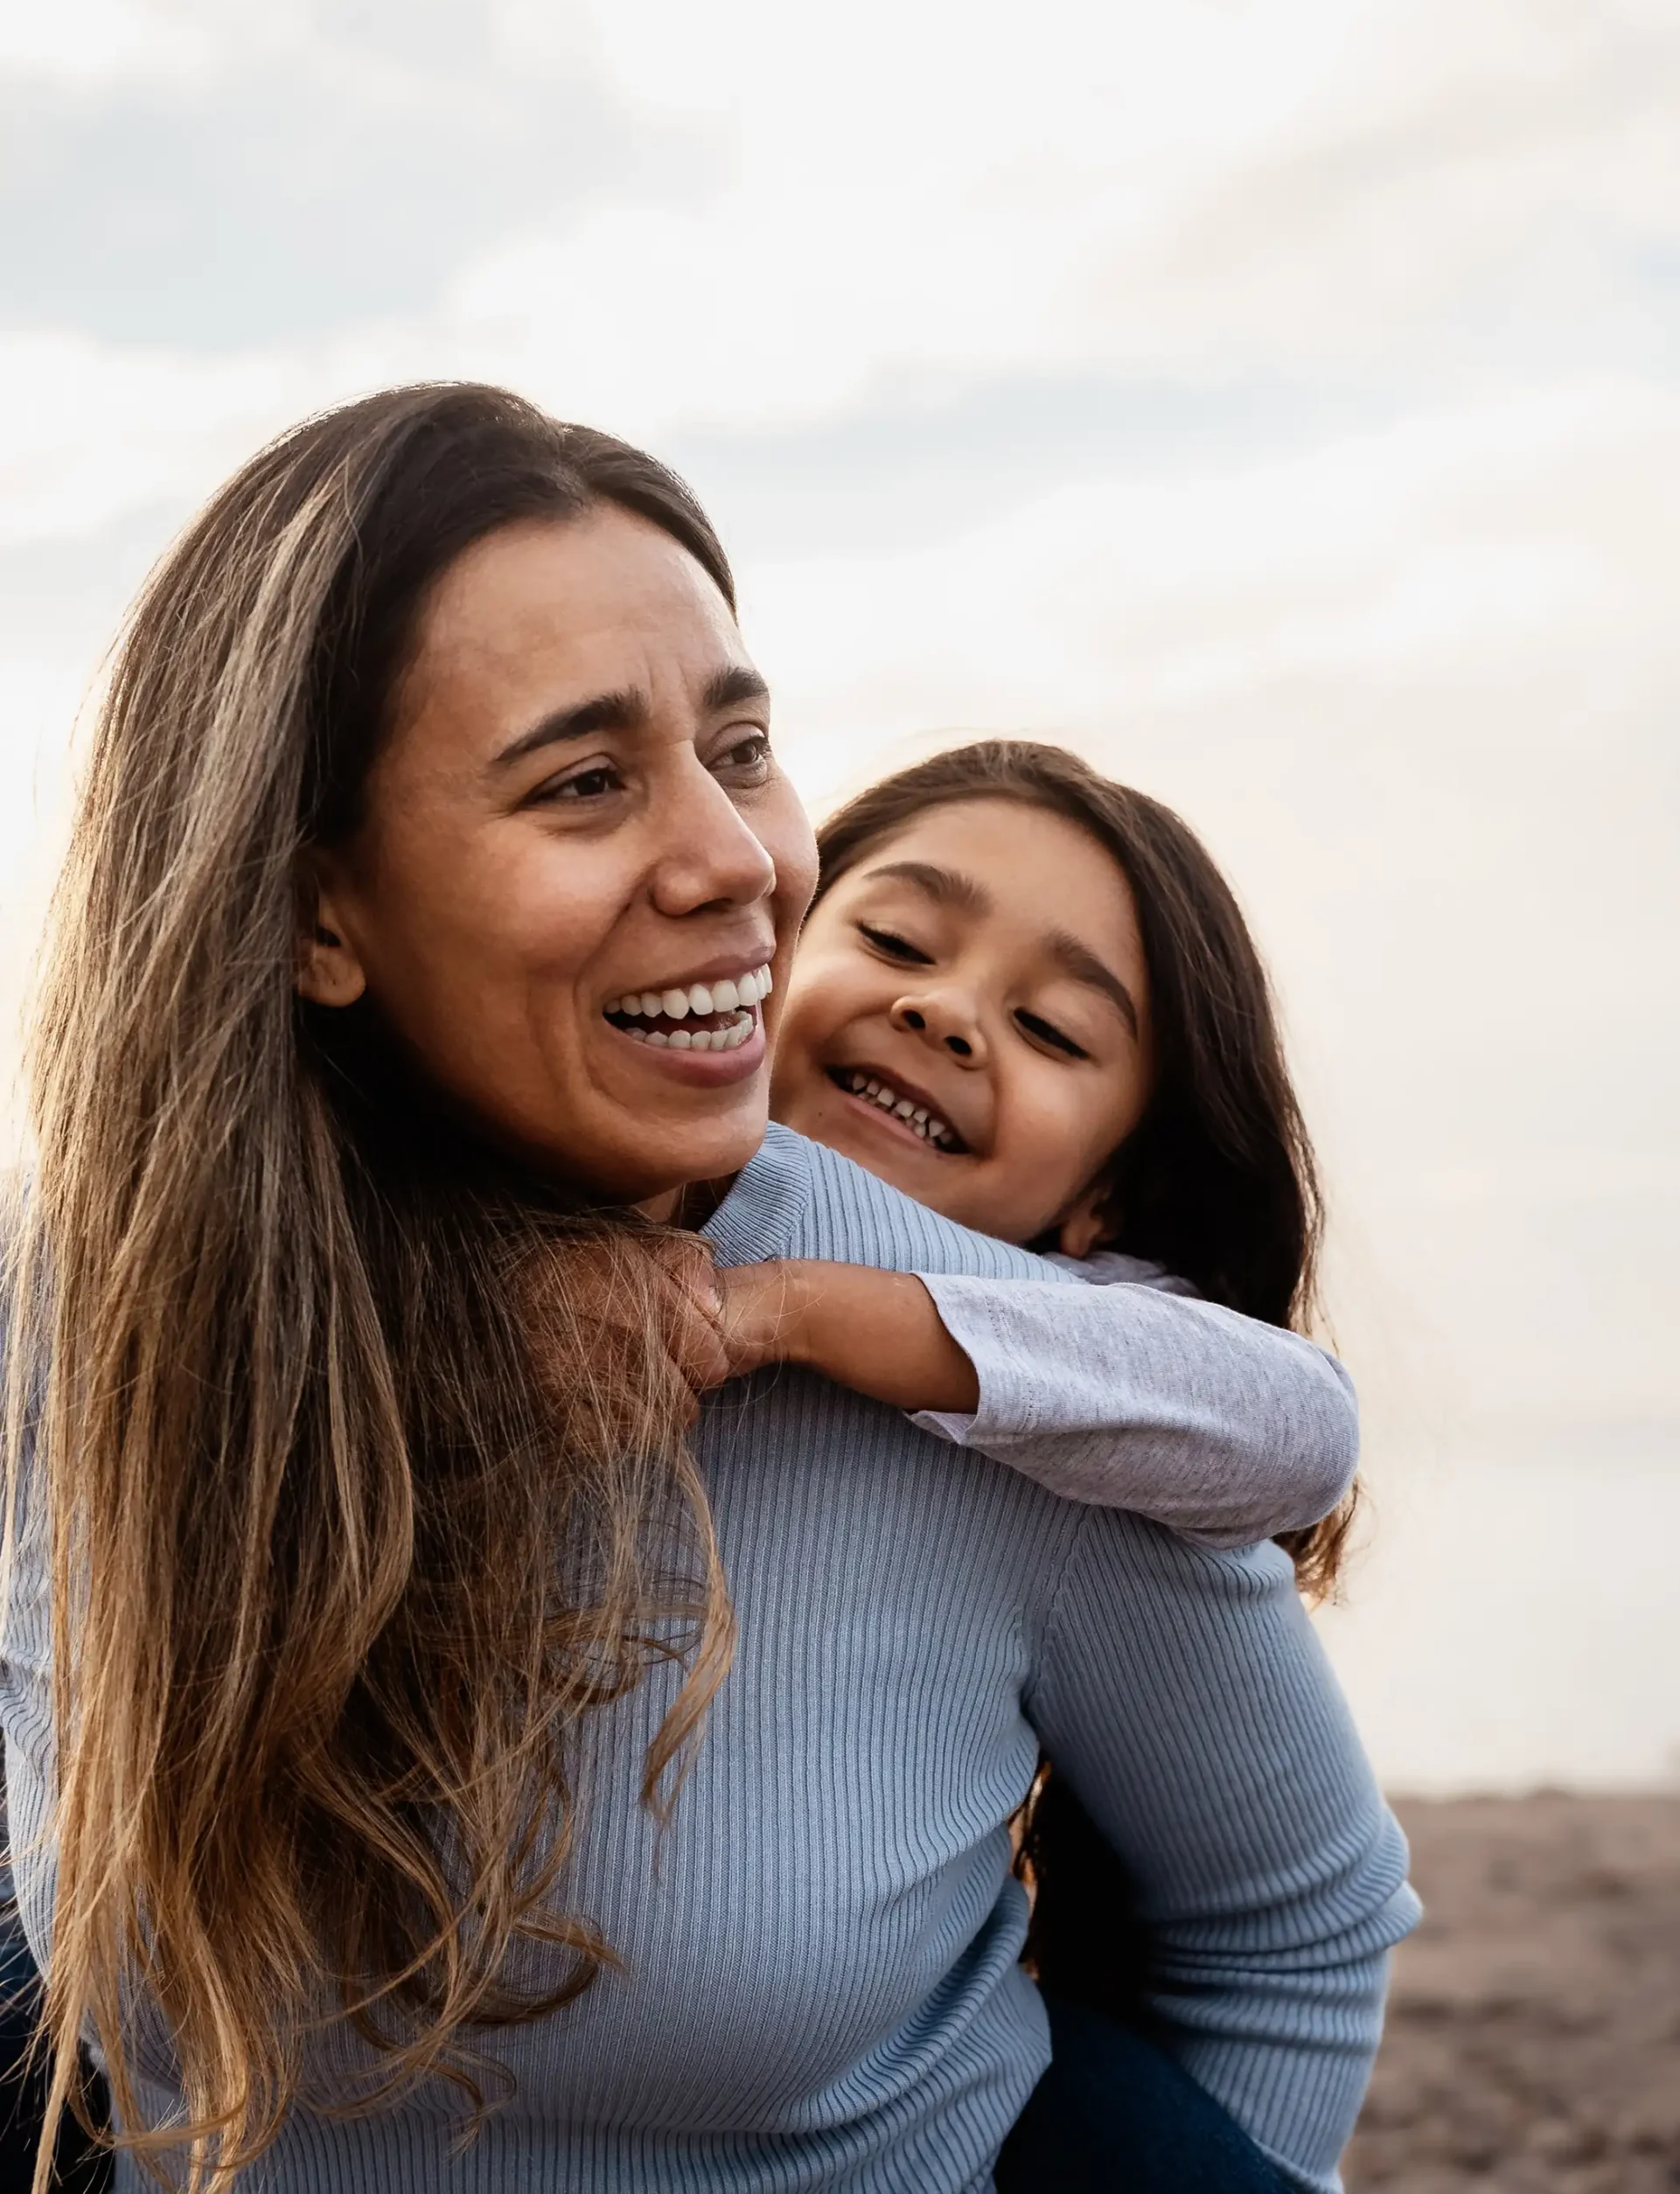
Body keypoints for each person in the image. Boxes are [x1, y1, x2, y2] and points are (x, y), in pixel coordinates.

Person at [1, 382, 1416, 2193]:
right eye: (586, 781)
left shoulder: (988, 1362)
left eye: (741, 750)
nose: (739, 861)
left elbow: (1293, 1921)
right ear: (311, 913)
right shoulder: (81, 1311)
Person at [715, 736, 1367, 2184]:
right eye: (897, 941)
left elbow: (1304, 1427)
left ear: (1104, 1203)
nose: (945, 1013)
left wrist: (792, 1307)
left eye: (1055, 1030)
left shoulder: (1079, 1410)